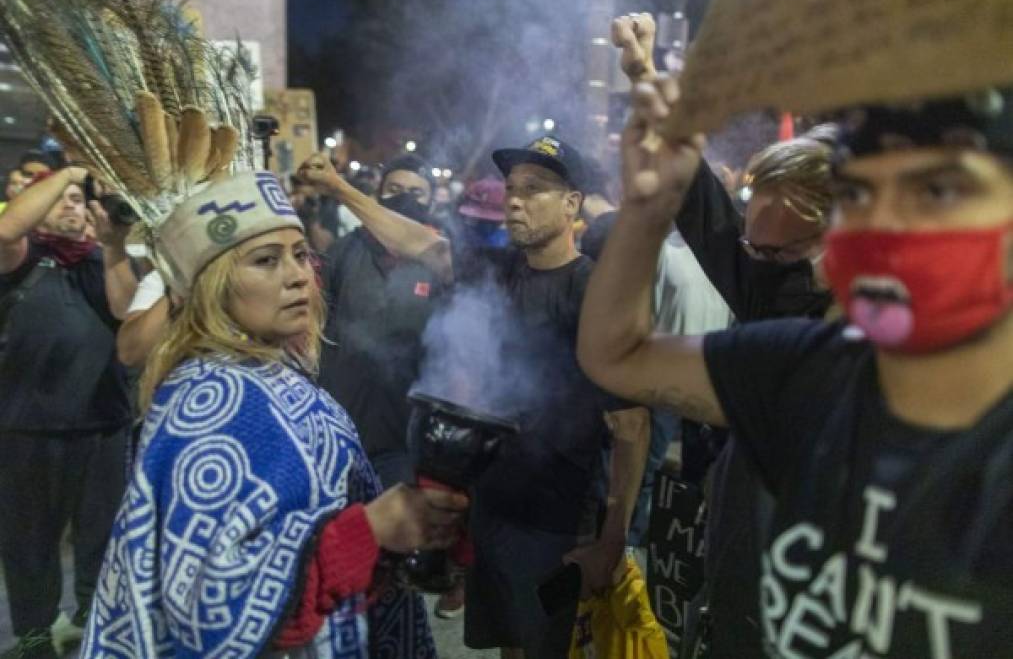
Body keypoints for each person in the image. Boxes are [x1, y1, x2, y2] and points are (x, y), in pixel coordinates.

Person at [578, 60, 1013, 656]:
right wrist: (648, 208)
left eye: (933, 194)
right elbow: (615, 353)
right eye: (860, 194)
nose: (879, 228)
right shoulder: (800, 358)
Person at [82, 171, 468, 657]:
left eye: (301, 254)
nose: (298, 275)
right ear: (210, 285)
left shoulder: (271, 371)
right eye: (266, 260)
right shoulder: (206, 403)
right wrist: (367, 531)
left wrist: (399, 528)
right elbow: (206, 603)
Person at [300, 137, 650, 659]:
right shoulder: (498, 270)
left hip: (557, 519)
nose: (515, 200)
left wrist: (612, 538)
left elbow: (631, 425)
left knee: (548, 649)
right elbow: (423, 244)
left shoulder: (592, 290)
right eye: (512, 188)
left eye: (535, 190)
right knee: (510, 646)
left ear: (573, 204)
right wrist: (338, 188)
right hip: (494, 510)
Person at [0, 166, 136, 659]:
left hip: (104, 425)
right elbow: (5, 229)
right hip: (27, 428)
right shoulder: (21, 258)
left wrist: (115, 244)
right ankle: (34, 637)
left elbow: (125, 312)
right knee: (29, 542)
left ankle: (94, 626)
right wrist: (72, 172)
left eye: (79, 198)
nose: (71, 204)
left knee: (101, 540)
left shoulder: (105, 260)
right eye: (61, 198)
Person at [313, 153, 439, 492]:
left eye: (416, 193)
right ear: (378, 194)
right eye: (394, 188)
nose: (403, 199)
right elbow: (317, 319)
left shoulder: (441, 262)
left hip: (404, 433)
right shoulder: (346, 250)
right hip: (340, 421)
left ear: (433, 201)